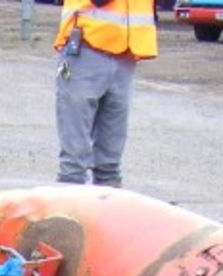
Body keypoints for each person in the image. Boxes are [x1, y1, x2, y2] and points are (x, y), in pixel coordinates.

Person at [53, 0, 157, 188]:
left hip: (125, 53)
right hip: (85, 47)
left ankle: (105, 209)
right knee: (73, 165)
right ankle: (69, 212)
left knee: (109, 164)